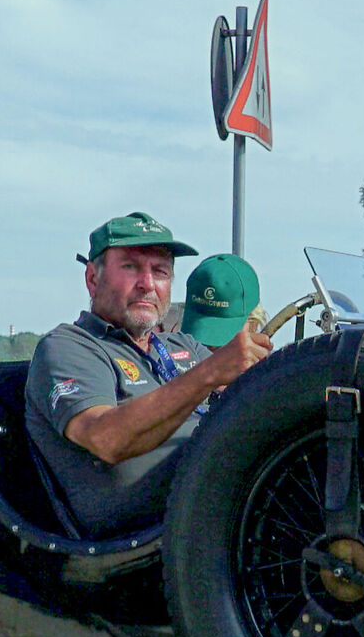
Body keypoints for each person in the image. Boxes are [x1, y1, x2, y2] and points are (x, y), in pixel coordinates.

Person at [25, 212, 272, 536]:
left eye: (160, 271)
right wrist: (209, 373)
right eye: (130, 267)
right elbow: (105, 438)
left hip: (231, 507)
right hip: (158, 540)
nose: (147, 284)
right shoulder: (69, 347)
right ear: (92, 278)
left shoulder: (181, 345)